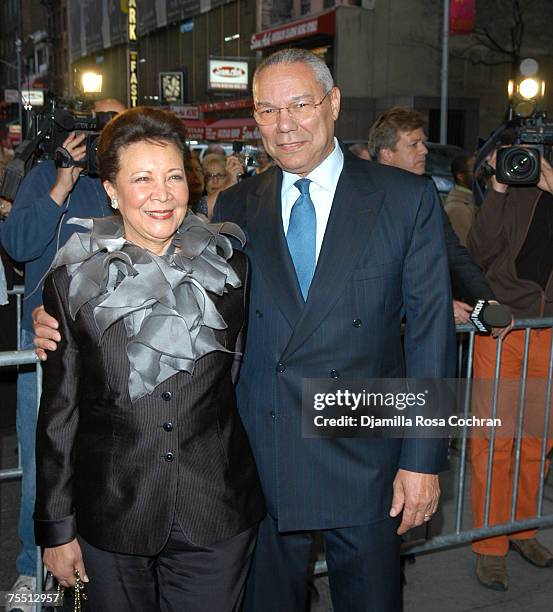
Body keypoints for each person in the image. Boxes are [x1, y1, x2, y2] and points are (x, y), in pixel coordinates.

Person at [35, 49, 455, 612]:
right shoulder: (235, 205)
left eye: (300, 104)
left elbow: (431, 334)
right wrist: (64, 320)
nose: (284, 124)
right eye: (266, 110)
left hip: (366, 462)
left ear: (333, 104)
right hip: (260, 466)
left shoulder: (406, 200)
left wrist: (422, 460)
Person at [33, 107, 265, 611]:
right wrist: (55, 529)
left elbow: (238, 376)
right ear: (112, 191)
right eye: (142, 179)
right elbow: (60, 413)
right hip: (112, 511)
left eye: (174, 176)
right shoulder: (72, 285)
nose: (162, 194)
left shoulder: (234, 271)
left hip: (216, 510)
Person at [0, 98, 125, 608]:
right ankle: (32, 570)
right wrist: (61, 184)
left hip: (114, 352)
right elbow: (18, 244)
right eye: (96, 124)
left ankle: (98, 567)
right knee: (41, 468)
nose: (103, 135)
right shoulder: (43, 177)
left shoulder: (127, 184)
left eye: (115, 125)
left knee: (106, 467)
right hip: (48, 351)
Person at [466, 149, 553, 591]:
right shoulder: (519, 179)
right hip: (506, 329)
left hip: (549, 332)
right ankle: (489, 545)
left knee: (537, 443)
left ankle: (524, 530)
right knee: (494, 442)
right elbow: (479, 251)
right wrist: (499, 187)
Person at [368, 106, 499, 329]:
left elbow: (453, 253)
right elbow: (376, 273)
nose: (424, 150)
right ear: (387, 154)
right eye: (413, 144)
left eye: (423, 142)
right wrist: (437, 303)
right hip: (375, 331)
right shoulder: (364, 198)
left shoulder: (425, 191)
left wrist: (488, 300)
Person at [444, 153, 477, 246]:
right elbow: (465, 247)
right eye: (475, 170)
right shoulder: (458, 208)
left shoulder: (472, 198)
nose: (480, 174)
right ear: (461, 176)